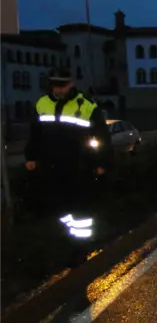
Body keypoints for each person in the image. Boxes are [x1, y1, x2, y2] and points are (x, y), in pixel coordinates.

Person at [24, 67, 112, 243]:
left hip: (79, 165)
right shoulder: (42, 104)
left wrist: (102, 163)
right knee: (57, 205)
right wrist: (31, 157)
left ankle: (81, 248)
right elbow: (35, 133)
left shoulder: (86, 105)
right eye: (55, 85)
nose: (59, 89)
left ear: (71, 83)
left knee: (80, 210)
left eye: (62, 85)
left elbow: (102, 136)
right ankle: (68, 239)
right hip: (51, 165)